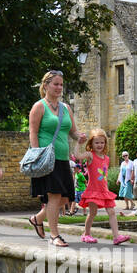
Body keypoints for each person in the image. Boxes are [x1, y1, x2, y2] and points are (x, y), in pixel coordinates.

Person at [28, 70, 86, 247]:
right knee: (54, 197)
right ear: (46, 85)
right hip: (47, 158)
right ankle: (54, 235)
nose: (59, 87)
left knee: (66, 198)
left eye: (61, 84)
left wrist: (79, 137)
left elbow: (72, 131)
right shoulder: (39, 106)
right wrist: (37, 155)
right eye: (56, 84)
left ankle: (37, 219)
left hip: (63, 158)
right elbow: (33, 132)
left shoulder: (66, 108)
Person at [73, 129, 131, 246]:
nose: (99, 145)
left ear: (105, 143)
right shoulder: (90, 155)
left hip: (104, 191)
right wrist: (78, 143)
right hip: (93, 191)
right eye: (97, 143)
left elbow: (103, 176)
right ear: (91, 144)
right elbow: (77, 155)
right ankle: (86, 234)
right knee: (93, 213)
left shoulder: (107, 158)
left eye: (102, 142)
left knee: (112, 212)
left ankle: (116, 237)